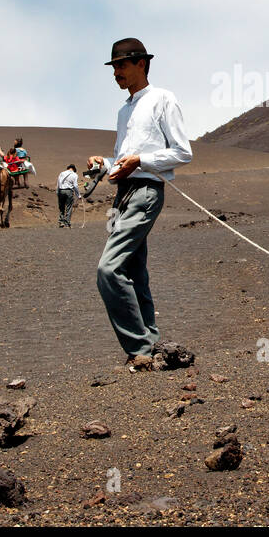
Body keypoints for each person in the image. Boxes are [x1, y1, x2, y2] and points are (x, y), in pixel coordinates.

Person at [88, 38, 192, 371]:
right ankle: (151, 345)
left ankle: (138, 347)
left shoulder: (163, 99)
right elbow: (123, 157)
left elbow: (182, 152)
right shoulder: (124, 110)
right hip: (123, 193)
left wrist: (141, 161)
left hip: (146, 192)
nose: (116, 72)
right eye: (114, 66)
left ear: (141, 64)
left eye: (121, 65)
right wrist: (105, 163)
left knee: (108, 268)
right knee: (135, 272)